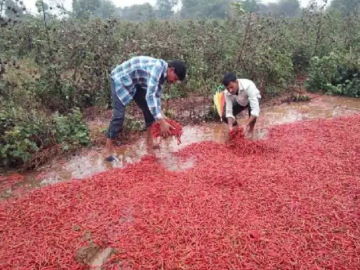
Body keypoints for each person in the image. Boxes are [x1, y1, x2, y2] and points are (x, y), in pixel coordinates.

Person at [103, 56, 186, 161]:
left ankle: (149, 143)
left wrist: (164, 119)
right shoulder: (157, 69)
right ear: (171, 70)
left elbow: (156, 98)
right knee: (119, 116)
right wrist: (161, 121)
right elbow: (150, 96)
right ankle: (107, 150)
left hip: (136, 84)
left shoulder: (163, 76)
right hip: (121, 79)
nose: (174, 82)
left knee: (149, 111)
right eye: (175, 78)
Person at [222, 72, 261, 139]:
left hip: (254, 99)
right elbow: (229, 111)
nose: (230, 90)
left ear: (236, 82)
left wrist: (246, 124)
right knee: (224, 116)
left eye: (231, 87)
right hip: (240, 100)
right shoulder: (227, 93)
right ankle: (237, 128)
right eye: (228, 88)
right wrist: (230, 128)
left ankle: (250, 131)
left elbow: (255, 110)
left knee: (252, 112)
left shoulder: (248, 85)